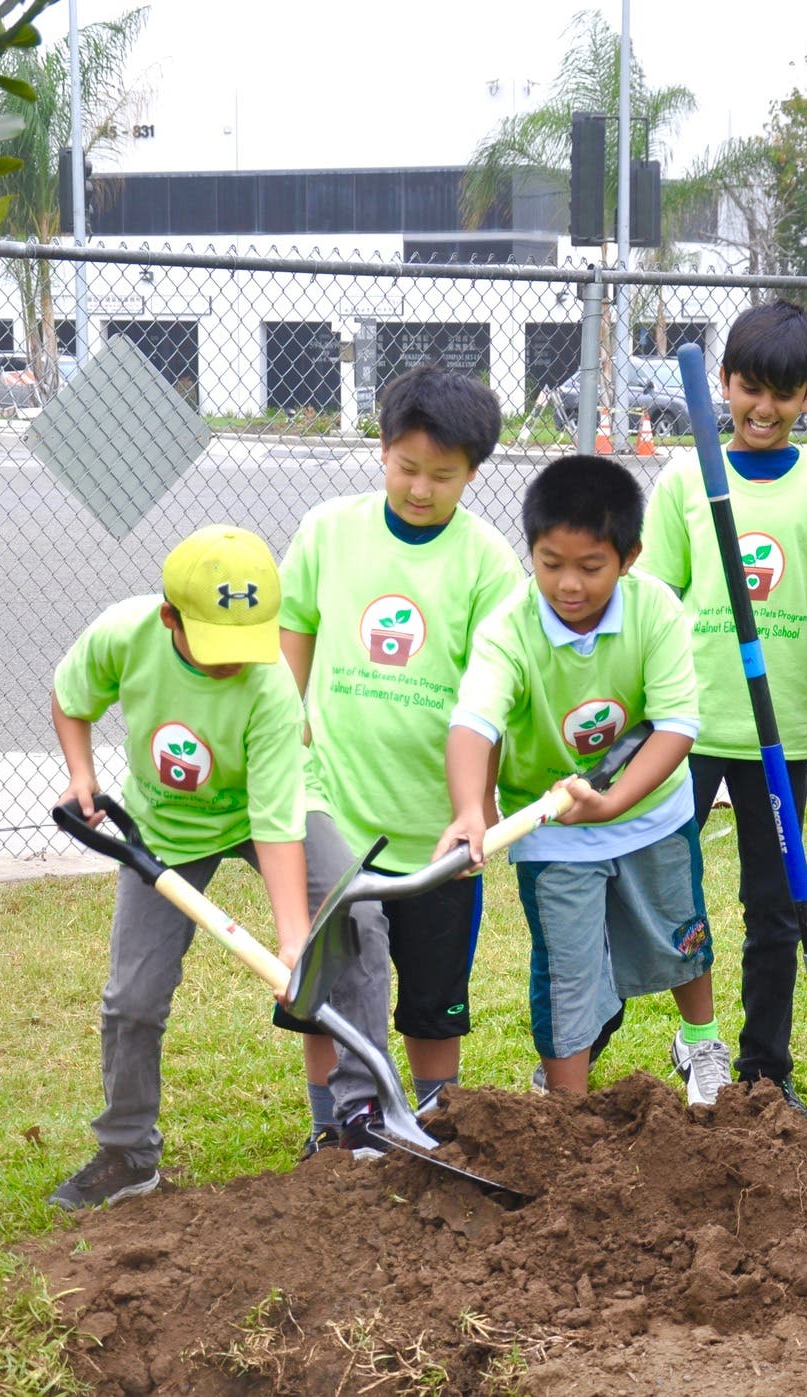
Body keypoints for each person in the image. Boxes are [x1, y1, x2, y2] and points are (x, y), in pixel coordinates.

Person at [47, 524, 391, 1207]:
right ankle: (126, 1152)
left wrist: (295, 939)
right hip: (169, 827)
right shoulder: (124, 632)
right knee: (132, 996)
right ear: (170, 617)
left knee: (357, 915)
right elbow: (71, 695)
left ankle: (362, 1116)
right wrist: (79, 772)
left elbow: (275, 821)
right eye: (216, 647)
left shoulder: (267, 686)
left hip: (278, 802)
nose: (234, 663)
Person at [636, 299, 807, 1112]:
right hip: (684, 730)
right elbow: (654, 603)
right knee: (659, 888)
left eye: (784, 392)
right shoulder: (682, 477)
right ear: (724, 384)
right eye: (747, 387)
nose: (762, 409)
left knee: (775, 911)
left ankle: (764, 1074)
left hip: (780, 739)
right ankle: (628, 1045)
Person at [275, 365, 520, 1155]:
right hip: (333, 807)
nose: (420, 488)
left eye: (442, 476)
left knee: (432, 996)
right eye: (407, 468)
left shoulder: (487, 562)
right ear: (381, 451)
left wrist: (473, 806)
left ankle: (431, 1120)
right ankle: (332, 1126)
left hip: (435, 822)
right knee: (332, 987)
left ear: (472, 473)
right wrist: (285, 740)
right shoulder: (328, 531)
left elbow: (494, 689)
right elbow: (292, 641)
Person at [438, 454, 729, 1105]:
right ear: (532, 553)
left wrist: (613, 802)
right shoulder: (509, 627)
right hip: (552, 828)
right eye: (550, 563)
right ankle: (566, 1108)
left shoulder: (653, 608)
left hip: (651, 811)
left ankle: (702, 1043)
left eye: (589, 567)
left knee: (679, 933)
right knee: (567, 972)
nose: (568, 584)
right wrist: (469, 809)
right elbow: (473, 721)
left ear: (628, 556)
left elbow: (677, 725)